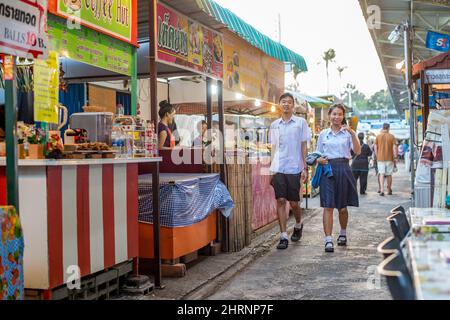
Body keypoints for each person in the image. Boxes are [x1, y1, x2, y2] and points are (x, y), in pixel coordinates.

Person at [316, 104, 361, 253]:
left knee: (342, 207)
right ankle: (328, 240)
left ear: (343, 116)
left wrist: (353, 133)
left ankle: (343, 233)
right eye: (334, 114)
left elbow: (357, 151)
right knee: (328, 205)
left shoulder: (348, 133)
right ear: (329, 115)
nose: (337, 117)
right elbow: (318, 153)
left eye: (340, 114)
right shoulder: (323, 134)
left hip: (343, 168)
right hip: (327, 169)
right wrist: (318, 160)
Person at [269, 92, 309, 250]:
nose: (286, 104)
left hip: (294, 167)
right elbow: (273, 147)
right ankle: (283, 235)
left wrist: (305, 167)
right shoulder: (274, 125)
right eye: (283, 102)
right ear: (280, 105)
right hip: (279, 167)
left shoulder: (301, 123)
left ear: (293, 106)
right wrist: (271, 169)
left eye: (289, 102)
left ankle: (298, 224)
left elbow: (304, 146)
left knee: (294, 203)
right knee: (280, 200)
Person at [374, 123, 397, 196]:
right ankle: (389, 189)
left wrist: (377, 155)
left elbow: (375, 147)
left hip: (380, 158)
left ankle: (382, 190)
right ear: (388, 128)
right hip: (390, 158)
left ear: (383, 127)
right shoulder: (392, 136)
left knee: (381, 173)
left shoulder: (378, 136)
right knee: (389, 174)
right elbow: (394, 148)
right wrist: (395, 157)